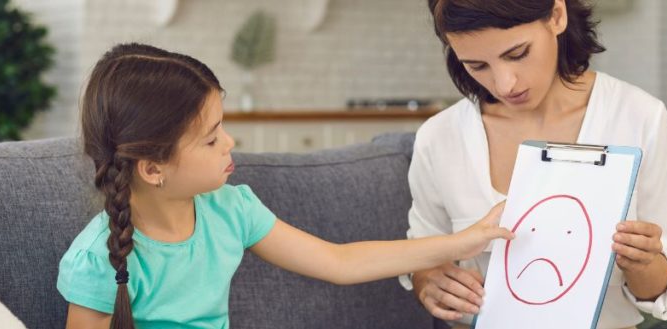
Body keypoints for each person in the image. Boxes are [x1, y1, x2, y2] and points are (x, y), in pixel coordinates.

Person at [57, 43, 512, 329]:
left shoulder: (229, 210)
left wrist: (463, 241)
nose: (230, 143)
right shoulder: (99, 259)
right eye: (212, 138)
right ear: (153, 169)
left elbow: (339, 261)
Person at [401, 1, 667, 328]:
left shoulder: (640, 118)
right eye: (477, 65)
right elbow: (421, 256)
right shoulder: (439, 137)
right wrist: (428, 282)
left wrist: (642, 262)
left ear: (557, 15)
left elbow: (660, 292)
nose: (505, 83)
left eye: (518, 53)